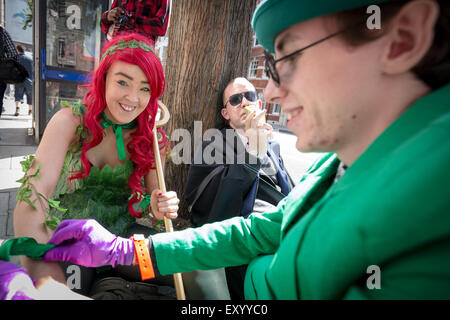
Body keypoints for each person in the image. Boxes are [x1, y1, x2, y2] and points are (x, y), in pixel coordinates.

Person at [43, 0, 450, 299]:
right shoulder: (330, 163)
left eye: (287, 60)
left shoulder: (431, 206)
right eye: (269, 70)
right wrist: (131, 249)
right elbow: (249, 227)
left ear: (401, 41)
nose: (269, 93)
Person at [13, 33, 180, 298]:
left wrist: (160, 206)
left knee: (183, 267)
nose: (133, 98)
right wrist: (43, 271)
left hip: (121, 243)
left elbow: (153, 203)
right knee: (72, 286)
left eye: (145, 88)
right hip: (68, 238)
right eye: (123, 81)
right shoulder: (69, 122)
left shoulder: (151, 137)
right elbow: (33, 196)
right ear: (103, 79)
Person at [184, 77, 294, 299]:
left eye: (250, 96)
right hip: (248, 237)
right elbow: (213, 208)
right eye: (235, 99)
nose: (244, 103)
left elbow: (289, 192)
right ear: (226, 114)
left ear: (259, 104)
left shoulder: (273, 146)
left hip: (283, 229)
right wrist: (252, 154)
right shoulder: (213, 145)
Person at [101, 0, 170, 46]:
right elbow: (104, 27)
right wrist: (107, 16)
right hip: (115, 51)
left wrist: (131, 19)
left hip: (141, 55)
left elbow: (161, 27)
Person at [14, 45, 33, 117]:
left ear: (18, 50)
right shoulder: (30, 59)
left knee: (18, 95)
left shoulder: (16, 59)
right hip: (29, 80)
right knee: (30, 95)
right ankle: (30, 111)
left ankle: (17, 109)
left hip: (19, 80)